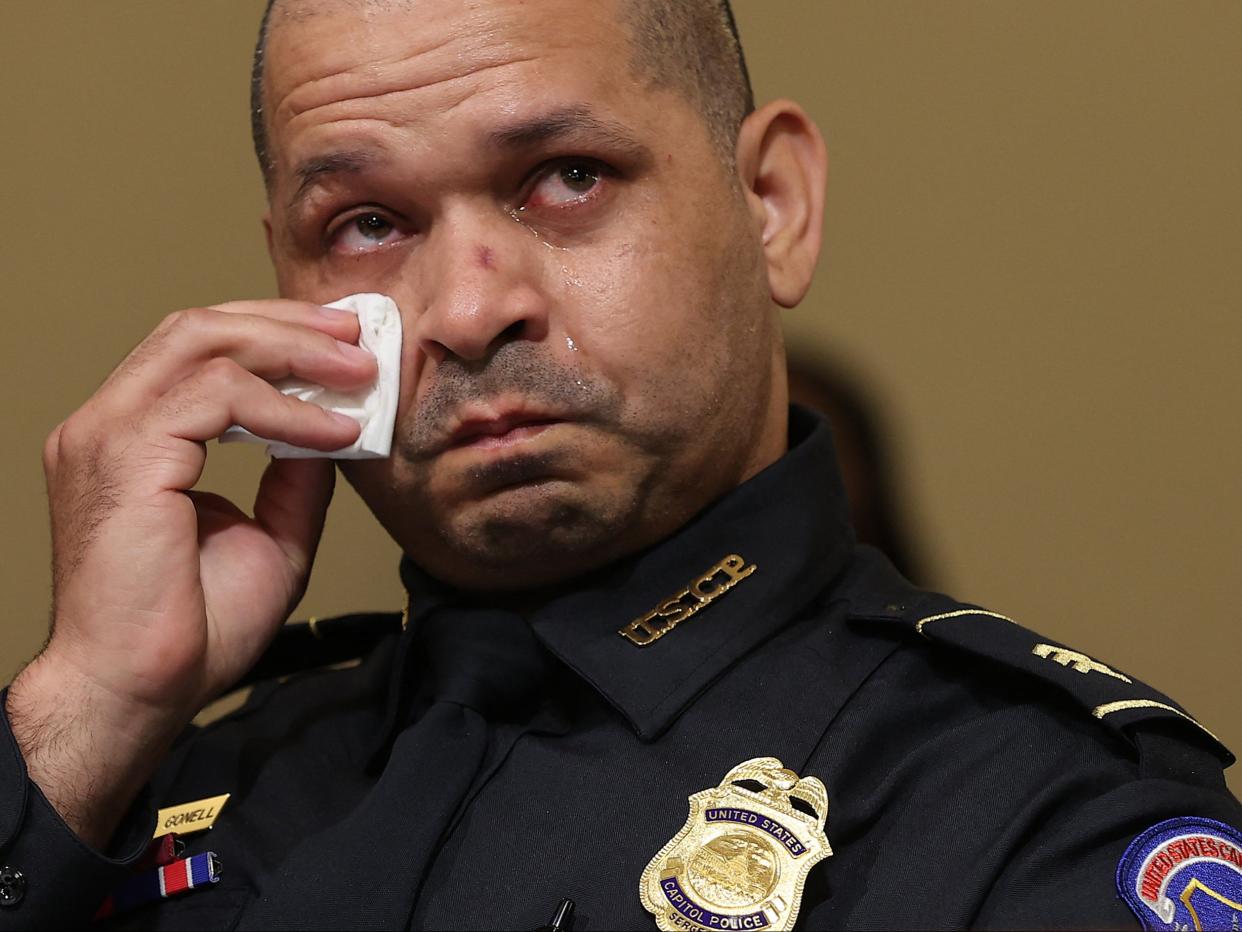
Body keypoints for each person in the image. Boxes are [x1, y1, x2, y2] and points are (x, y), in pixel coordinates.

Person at [1, 0, 1238, 929]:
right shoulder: (170, 786)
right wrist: (88, 708)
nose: (468, 309)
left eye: (566, 178)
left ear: (772, 205)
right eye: (367, 224)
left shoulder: (1034, 807)